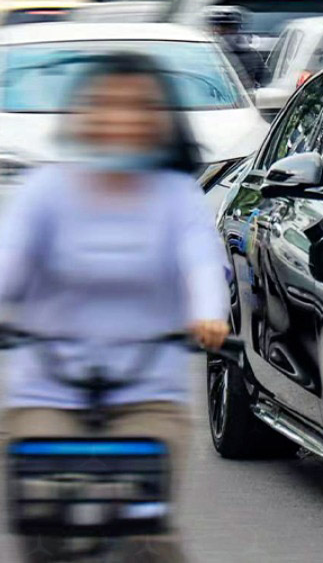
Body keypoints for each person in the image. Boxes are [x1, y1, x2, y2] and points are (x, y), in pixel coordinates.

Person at [0, 51, 230, 562]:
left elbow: (201, 261)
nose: (120, 118)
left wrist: (208, 314)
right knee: (42, 521)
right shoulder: (45, 190)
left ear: (159, 120)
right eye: (106, 104)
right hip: (46, 391)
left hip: (148, 393)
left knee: (144, 533)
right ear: (81, 115)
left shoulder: (177, 195)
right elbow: (11, 259)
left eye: (137, 107)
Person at [205, 5, 267, 88]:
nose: (218, 30)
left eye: (224, 27)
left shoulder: (208, 53)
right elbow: (265, 81)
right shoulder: (252, 54)